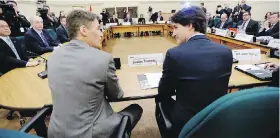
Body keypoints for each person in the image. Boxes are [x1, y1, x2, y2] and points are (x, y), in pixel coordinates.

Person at [47, 10, 143, 138]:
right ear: (84, 30)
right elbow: (117, 95)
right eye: (98, 28)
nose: (101, 33)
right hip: (90, 133)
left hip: (55, 131)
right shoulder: (103, 59)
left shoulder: (53, 56)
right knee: (136, 109)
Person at [157, 5, 232, 137]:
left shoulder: (175, 54)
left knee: (160, 101)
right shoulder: (226, 51)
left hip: (188, 123)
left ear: (190, 26)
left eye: (176, 27)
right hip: (218, 116)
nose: (173, 33)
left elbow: (164, 92)